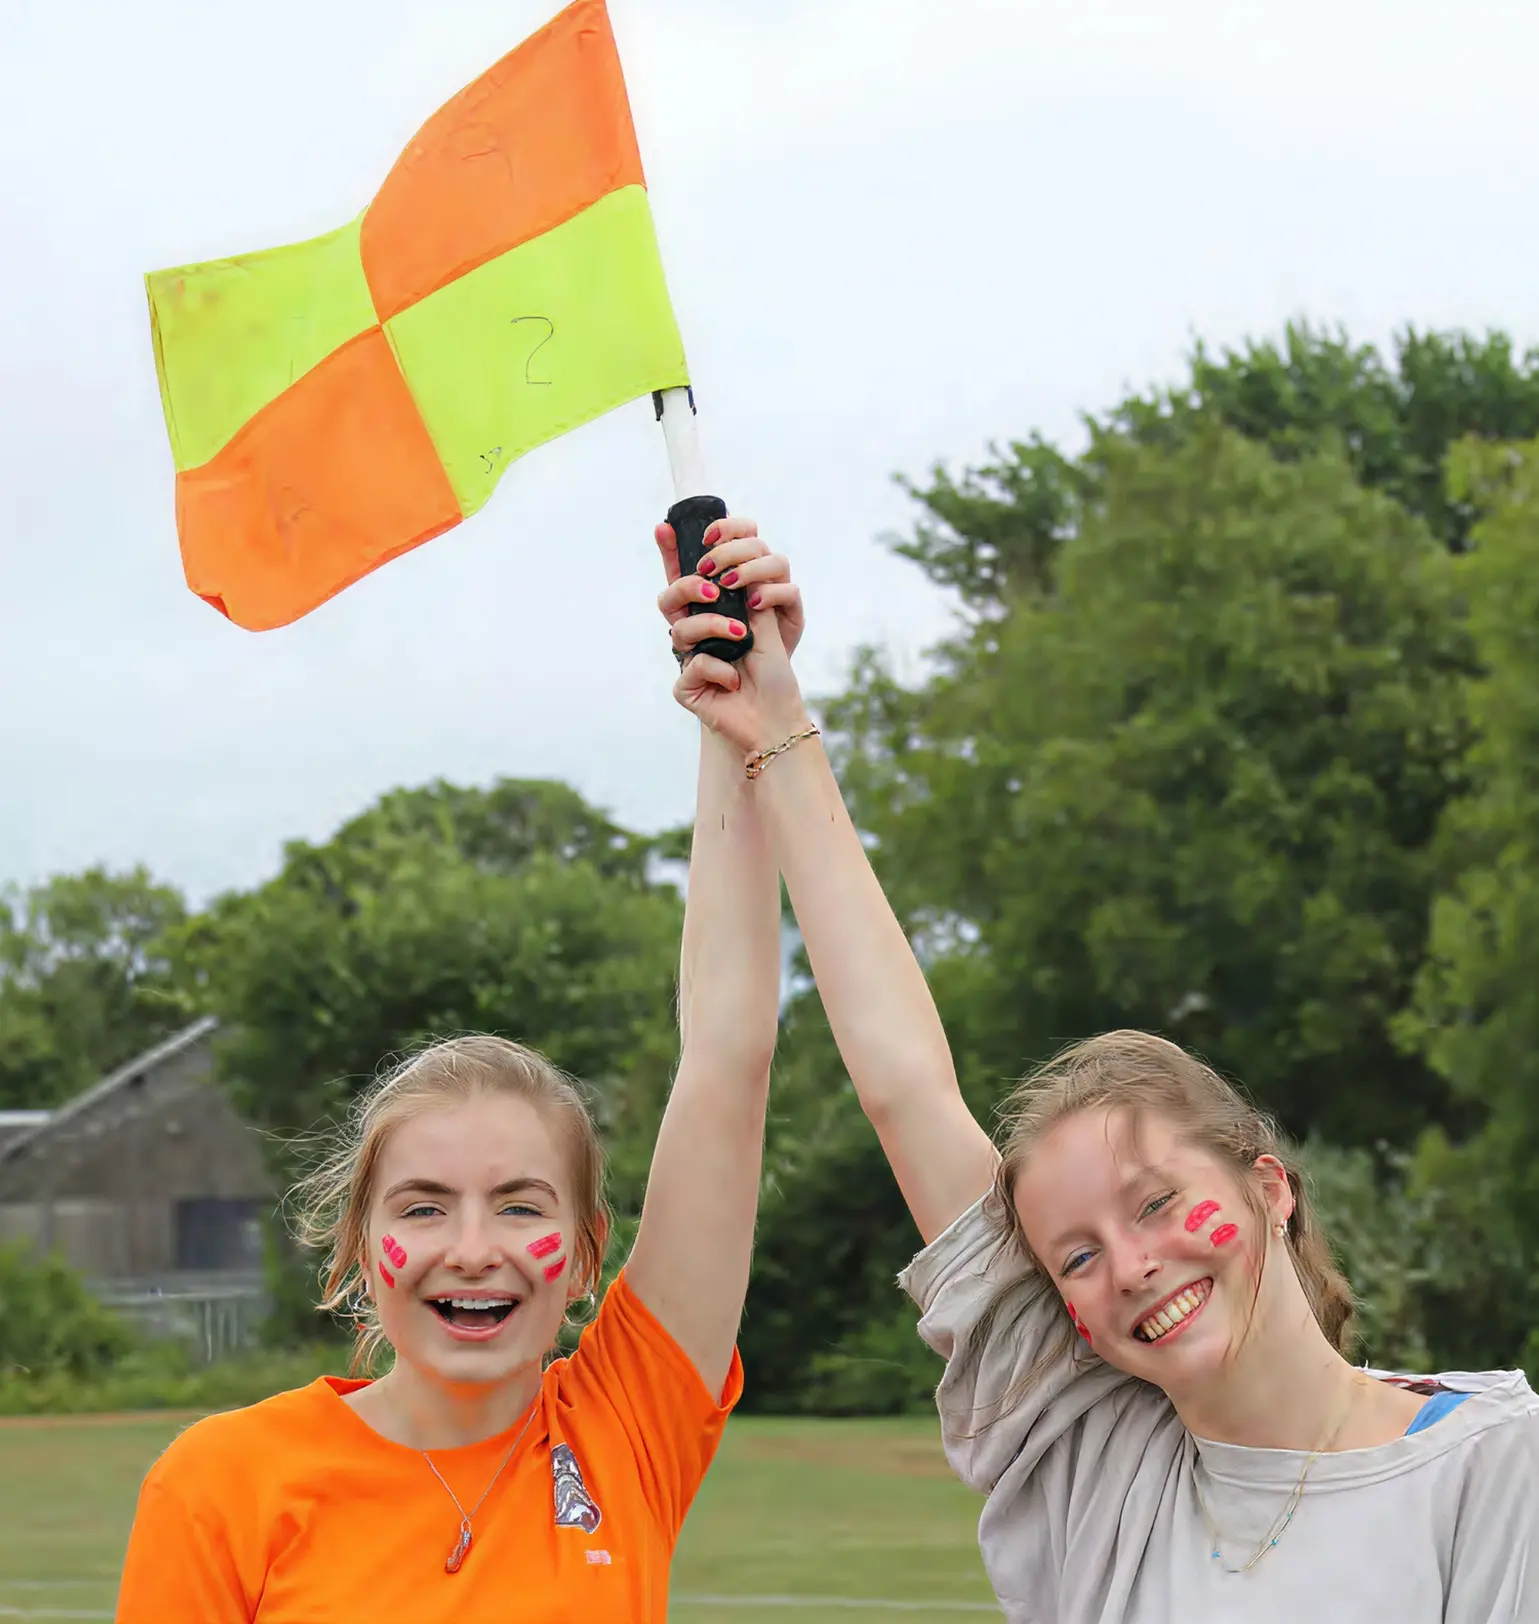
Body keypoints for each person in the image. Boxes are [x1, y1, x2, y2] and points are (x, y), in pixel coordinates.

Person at [661, 529, 1539, 1623]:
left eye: (1157, 1203)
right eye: (1075, 1255)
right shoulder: (1094, 1462)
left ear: (1270, 1187)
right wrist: (775, 724)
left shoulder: (1495, 1464)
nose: (1129, 1265)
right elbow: (906, 1087)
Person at [115, 522, 803, 1624]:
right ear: (358, 1248)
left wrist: (744, 712)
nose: (472, 1250)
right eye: (424, 1205)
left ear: (582, 1256)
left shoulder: (626, 1425)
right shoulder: (222, 1485)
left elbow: (729, 1054)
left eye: (520, 1204)